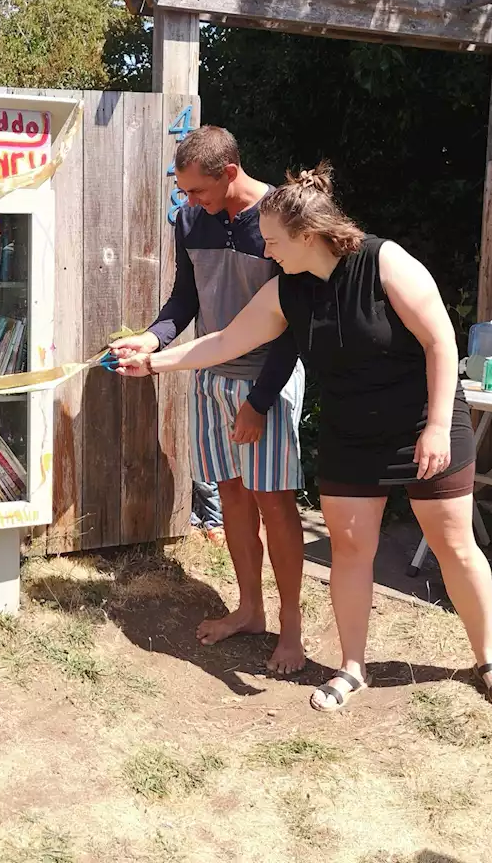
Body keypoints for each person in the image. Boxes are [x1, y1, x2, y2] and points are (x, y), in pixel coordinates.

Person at [116, 161, 492, 713]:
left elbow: (441, 343)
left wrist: (434, 427)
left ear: (308, 236)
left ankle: (489, 660)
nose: (265, 252)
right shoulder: (292, 289)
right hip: (351, 432)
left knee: (454, 545)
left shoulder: (384, 262)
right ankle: (352, 668)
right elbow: (225, 341)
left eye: (273, 241)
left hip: (423, 421)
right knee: (351, 551)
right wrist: (155, 363)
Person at [110, 126, 308, 676]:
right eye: (184, 191)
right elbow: (184, 300)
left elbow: (295, 324)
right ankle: (250, 610)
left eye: (196, 190)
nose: (187, 201)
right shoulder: (190, 221)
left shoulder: (277, 220)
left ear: (228, 174)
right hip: (210, 380)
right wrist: (150, 340)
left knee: (275, 503)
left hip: (268, 381)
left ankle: (292, 629)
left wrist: (260, 401)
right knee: (234, 497)